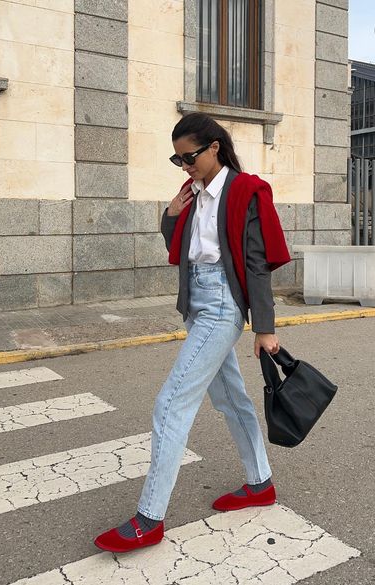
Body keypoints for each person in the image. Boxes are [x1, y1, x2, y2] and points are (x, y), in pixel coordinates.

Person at [94, 112, 290, 553]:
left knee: (169, 405)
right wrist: (170, 214)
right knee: (231, 399)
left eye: (190, 157)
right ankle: (259, 484)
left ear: (214, 146)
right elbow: (179, 249)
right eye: (178, 160)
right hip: (196, 302)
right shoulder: (194, 194)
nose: (185, 166)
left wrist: (264, 327)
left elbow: (256, 261)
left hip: (222, 305)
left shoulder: (244, 191)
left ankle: (150, 518)